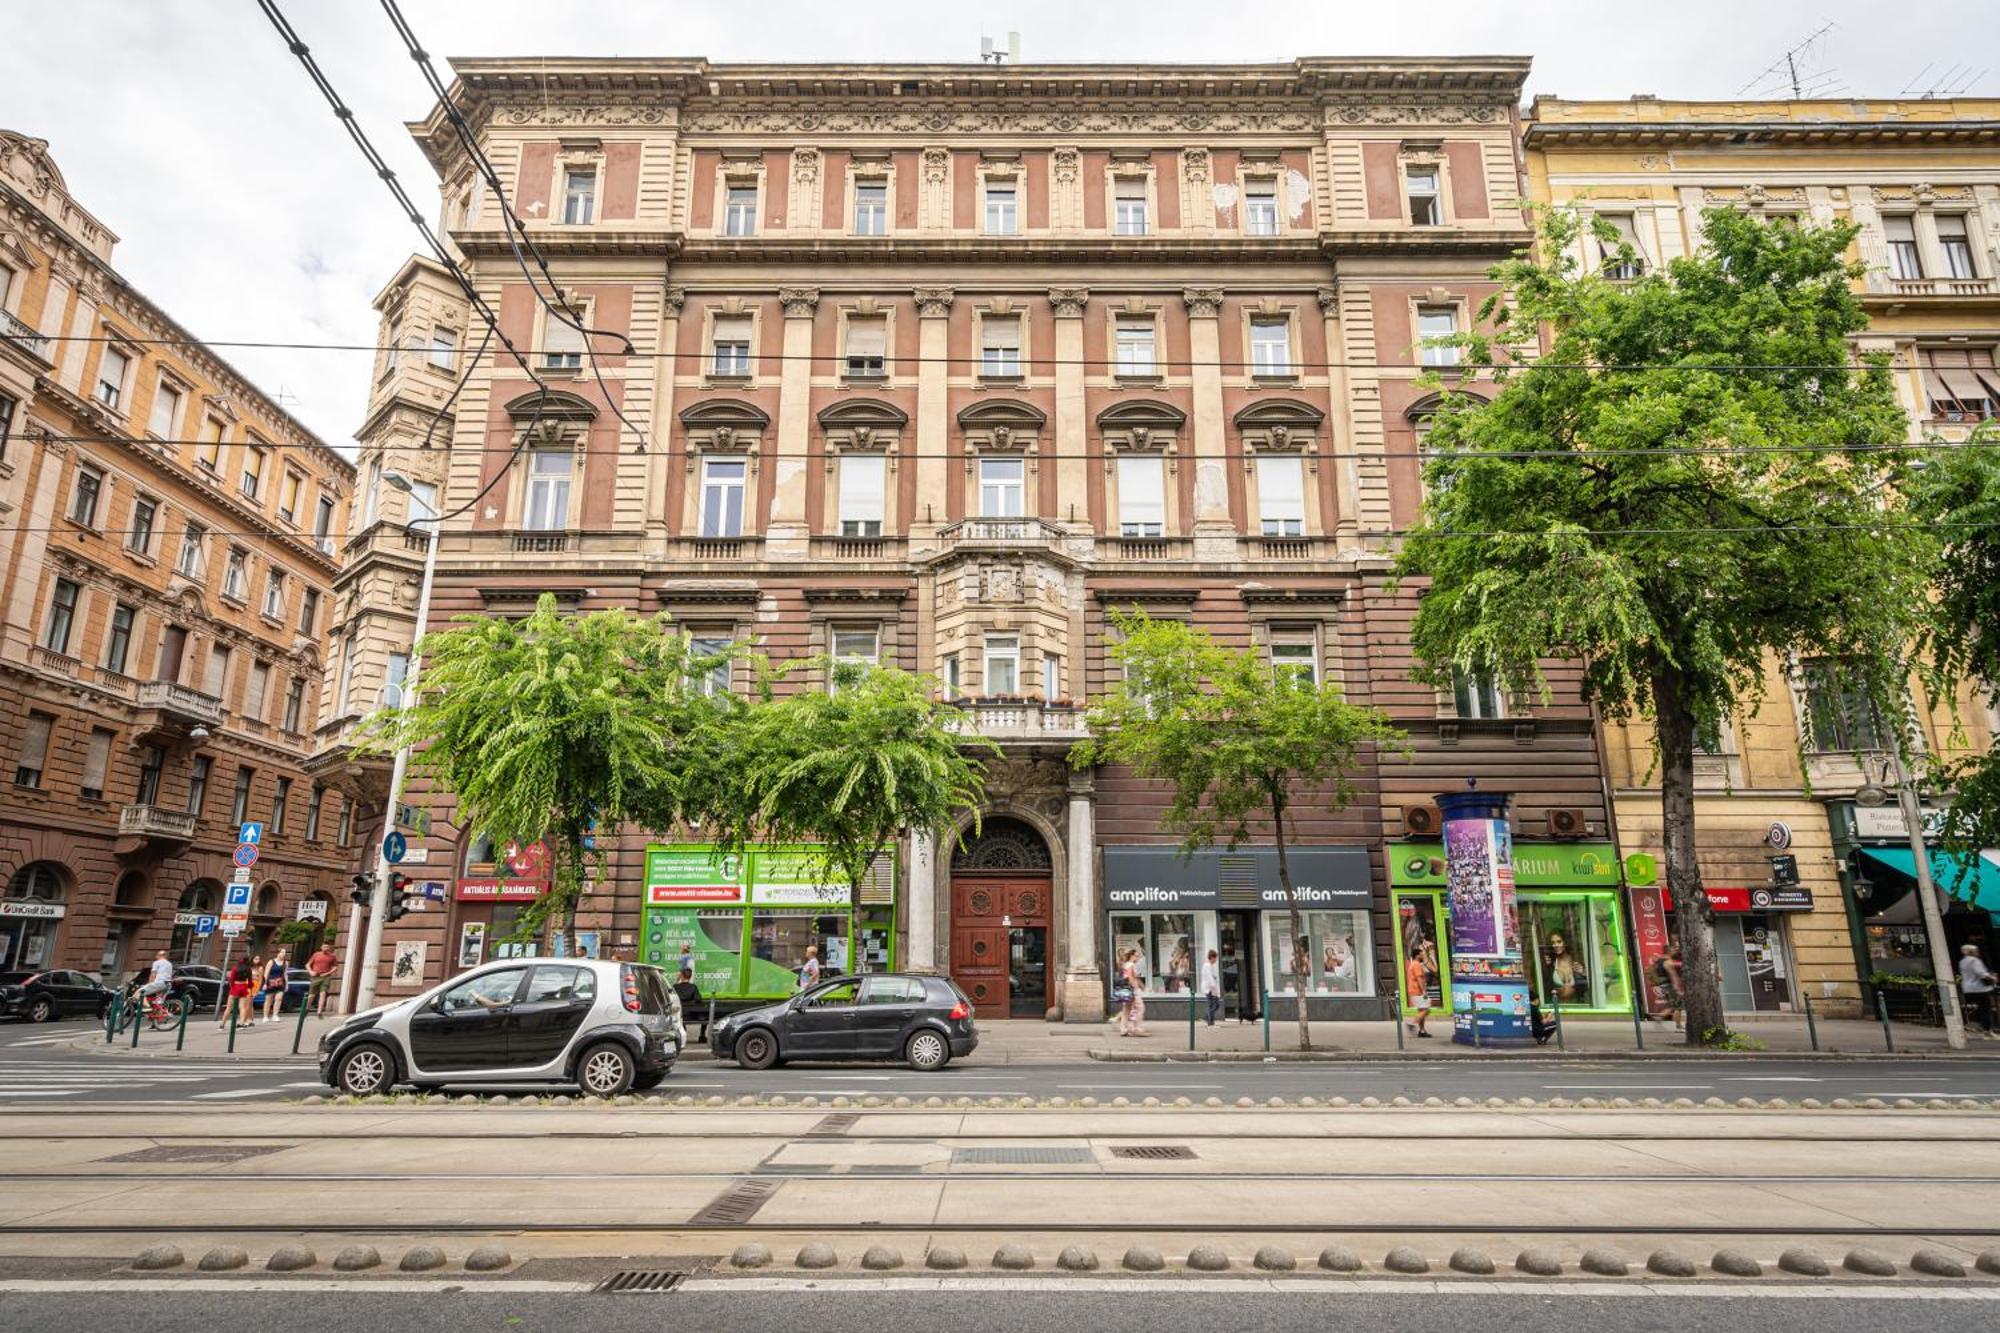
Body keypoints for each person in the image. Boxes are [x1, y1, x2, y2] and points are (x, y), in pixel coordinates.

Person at [1961, 944, 1998, 1038]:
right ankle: (1987, 1031)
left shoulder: (1963, 961)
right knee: (1986, 1009)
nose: (1978, 952)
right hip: (1979, 989)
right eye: (1976, 950)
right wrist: (1993, 977)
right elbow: (1981, 973)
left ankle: (1977, 1026)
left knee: (1979, 1008)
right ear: (1971, 952)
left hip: (1968, 989)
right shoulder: (1974, 960)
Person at [1117, 948, 1149, 1037]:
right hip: (1132, 990)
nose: (1138, 957)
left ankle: (1123, 1029)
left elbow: (1129, 977)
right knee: (1140, 1008)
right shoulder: (1131, 965)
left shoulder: (1126, 964)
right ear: (1132, 956)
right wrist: (1135, 989)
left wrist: (1142, 987)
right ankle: (1137, 1028)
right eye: (1136, 956)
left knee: (1126, 1010)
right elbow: (1131, 978)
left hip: (1126, 990)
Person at [674, 968, 708, 1043]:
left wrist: (677, 980)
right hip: (692, 1014)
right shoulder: (693, 987)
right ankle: (702, 1035)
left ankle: (684, 1033)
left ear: (681, 976)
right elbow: (698, 999)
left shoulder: (675, 987)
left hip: (681, 1015)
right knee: (704, 1015)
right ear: (690, 976)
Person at [1405, 948, 1433, 1038]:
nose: (1423, 956)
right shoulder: (1416, 965)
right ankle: (1412, 1023)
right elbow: (1419, 978)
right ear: (1417, 955)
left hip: (1413, 990)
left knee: (1421, 1010)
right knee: (1427, 1009)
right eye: (1421, 954)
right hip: (1418, 991)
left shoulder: (1412, 964)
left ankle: (1422, 1031)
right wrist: (1423, 991)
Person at [306, 942, 338, 1017]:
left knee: (323, 994)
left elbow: (335, 967)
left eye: (327, 947)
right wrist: (311, 972)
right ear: (321, 947)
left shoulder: (332, 956)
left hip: (325, 977)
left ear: (329, 948)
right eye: (324, 947)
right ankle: (307, 1009)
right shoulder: (316, 954)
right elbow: (307, 964)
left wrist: (328, 973)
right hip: (315, 976)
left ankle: (319, 1012)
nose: (325, 948)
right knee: (311, 995)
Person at [222, 956, 254, 1028]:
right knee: (242, 1007)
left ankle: (222, 1024)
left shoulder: (235, 968)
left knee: (229, 1007)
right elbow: (250, 982)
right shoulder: (248, 969)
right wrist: (249, 987)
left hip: (235, 987)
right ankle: (241, 1023)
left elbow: (231, 979)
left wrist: (232, 987)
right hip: (244, 987)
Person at [261, 953, 288, 1022]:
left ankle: (275, 1015)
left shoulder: (285, 963)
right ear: (278, 953)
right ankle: (265, 1016)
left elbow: (285, 974)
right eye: (282, 952)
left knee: (279, 998)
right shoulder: (271, 962)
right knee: (268, 999)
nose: (283, 954)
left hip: (280, 983)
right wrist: (265, 983)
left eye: (284, 953)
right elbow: (266, 973)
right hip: (271, 982)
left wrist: (287, 984)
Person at [1199, 948, 1222, 1027]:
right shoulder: (1207, 966)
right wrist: (1214, 990)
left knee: (1215, 1005)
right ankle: (1210, 1022)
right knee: (1213, 1005)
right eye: (1215, 958)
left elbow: (1213, 978)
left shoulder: (1210, 966)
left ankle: (1207, 1017)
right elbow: (1210, 978)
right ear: (1212, 957)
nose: (1216, 960)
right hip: (1209, 989)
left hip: (1211, 988)